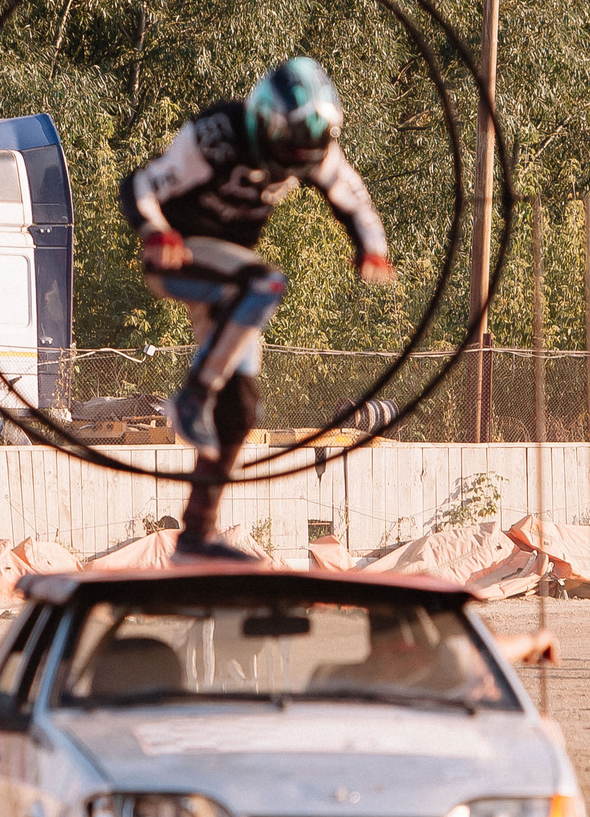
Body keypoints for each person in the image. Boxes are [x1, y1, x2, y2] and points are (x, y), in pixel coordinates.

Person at [122, 57, 392, 562]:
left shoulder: (312, 147)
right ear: (264, 123)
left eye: (300, 157)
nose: (288, 165)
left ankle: (196, 534)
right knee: (265, 285)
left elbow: (352, 197)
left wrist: (369, 245)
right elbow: (141, 183)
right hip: (181, 256)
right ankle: (191, 397)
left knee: (240, 409)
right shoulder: (216, 134)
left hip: (231, 278)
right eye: (282, 152)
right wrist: (155, 230)